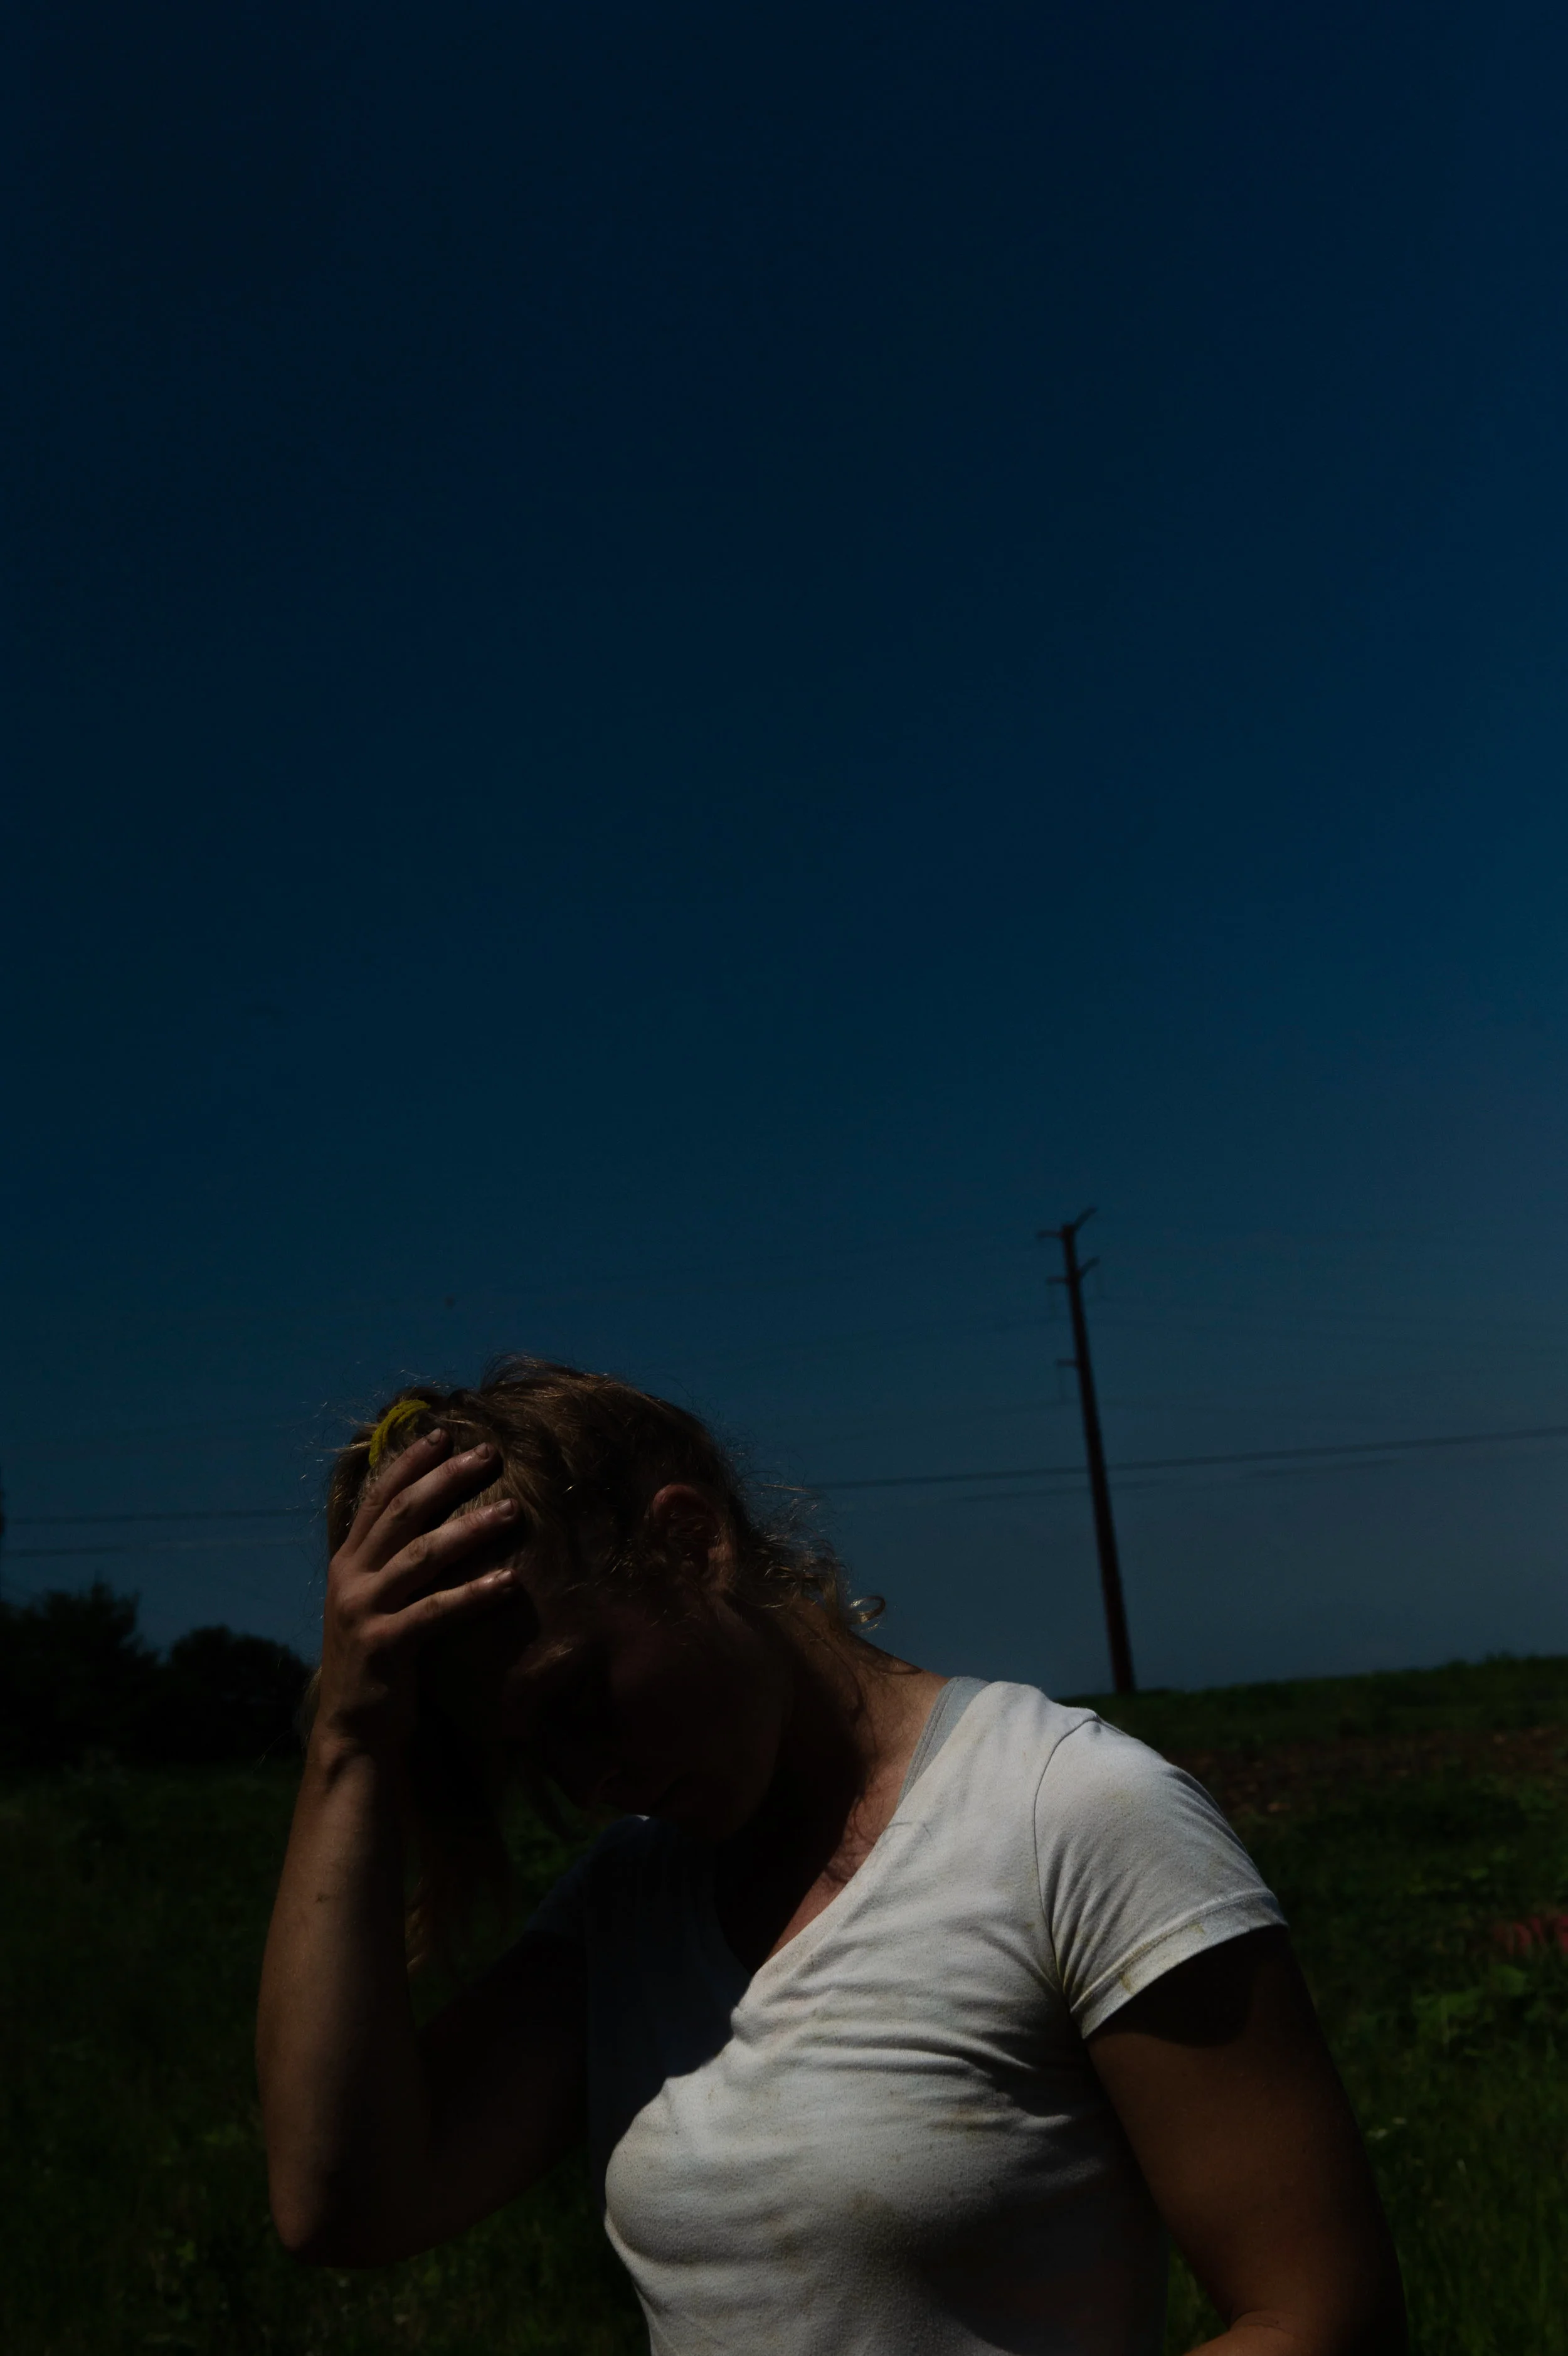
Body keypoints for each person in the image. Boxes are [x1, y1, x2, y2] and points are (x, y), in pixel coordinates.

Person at [258, 1358, 1405, 2356]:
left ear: (688, 1542)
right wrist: (351, 1744)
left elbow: (1324, 2320)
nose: (577, 1777)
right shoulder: (627, 1907)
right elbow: (343, 2205)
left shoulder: (1072, 1814)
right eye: (521, 1747)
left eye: (575, 1692)